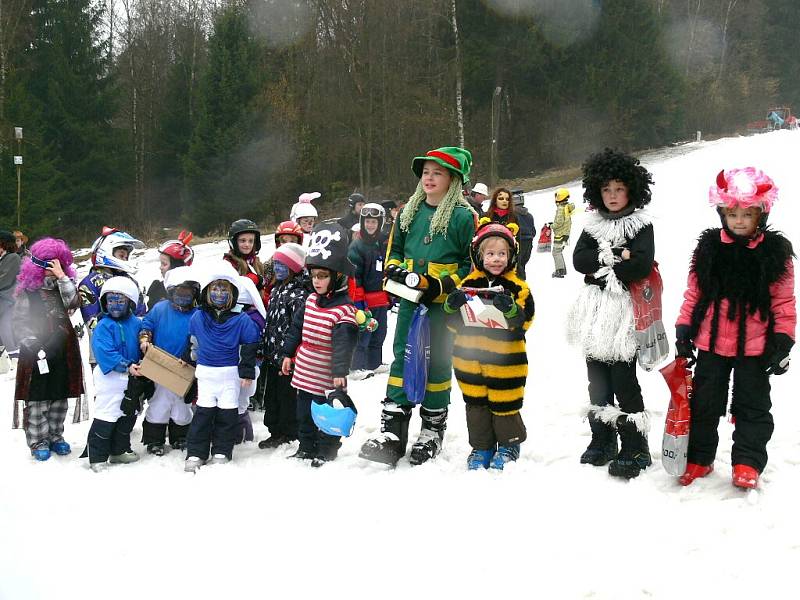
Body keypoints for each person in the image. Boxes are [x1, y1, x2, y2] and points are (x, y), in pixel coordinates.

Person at [675, 167, 796, 490]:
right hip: (711, 343)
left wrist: (783, 342)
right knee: (704, 403)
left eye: (747, 214)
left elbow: (783, 303)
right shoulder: (710, 249)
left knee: (752, 406)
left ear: (761, 214)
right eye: (733, 214)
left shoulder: (775, 255)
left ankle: (747, 461)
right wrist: (684, 329)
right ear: (722, 214)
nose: (739, 221)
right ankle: (700, 458)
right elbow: (694, 293)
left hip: (754, 348)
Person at [359, 146, 477, 467]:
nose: (429, 177)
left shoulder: (464, 217)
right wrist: (397, 269)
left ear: (453, 180)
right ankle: (393, 432)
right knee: (403, 355)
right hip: (411, 302)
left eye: (437, 172)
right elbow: (394, 250)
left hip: (443, 306)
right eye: (426, 172)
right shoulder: (408, 213)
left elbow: (471, 264)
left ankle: (431, 429)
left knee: (437, 361)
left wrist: (439, 285)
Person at [566, 148, 656, 480]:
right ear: (597, 192)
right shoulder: (593, 224)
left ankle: (635, 446)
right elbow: (578, 261)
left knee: (624, 379)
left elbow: (641, 265)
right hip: (595, 314)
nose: (613, 196)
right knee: (597, 379)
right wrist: (615, 256)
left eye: (619, 189)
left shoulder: (641, 225)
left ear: (631, 189)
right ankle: (602, 439)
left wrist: (600, 262)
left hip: (624, 315)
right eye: (606, 190)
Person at [443, 221, 535, 470]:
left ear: (511, 256)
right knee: (476, 405)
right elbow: (452, 324)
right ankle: (481, 445)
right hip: (468, 359)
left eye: (502, 254)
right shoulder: (467, 285)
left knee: (504, 403)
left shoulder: (518, 287)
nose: (496, 259)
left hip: (506, 361)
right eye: (491, 254)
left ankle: (509, 443)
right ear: (479, 256)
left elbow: (525, 321)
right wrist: (452, 305)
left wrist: (512, 309)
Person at [280, 223, 359, 467]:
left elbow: (343, 346)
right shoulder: (311, 301)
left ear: (337, 277)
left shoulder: (344, 311)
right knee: (304, 415)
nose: (317, 281)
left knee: (327, 416)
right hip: (305, 372)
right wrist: (287, 354)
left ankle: (326, 450)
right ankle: (305, 447)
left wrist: (339, 373)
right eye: (314, 276)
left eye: (323, 276)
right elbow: (296, 330)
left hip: (326, 376)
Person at [184, 265, 260, 472]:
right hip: (206, 374)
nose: (219, 293)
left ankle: (222, 451)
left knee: (227, 416)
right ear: (207, 292)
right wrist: (188, 362)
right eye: (215, 289)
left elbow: (249, 346)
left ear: (233, 292)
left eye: (224, 289)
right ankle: (196, 452)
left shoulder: (242, 319)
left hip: (229, 375)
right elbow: (192, 343)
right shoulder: (198, 317)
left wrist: (246, 372)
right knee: (202, 415)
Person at [14, 238, 83, 461]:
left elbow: (73, 304)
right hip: (36, 349)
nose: (52, 270)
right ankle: (38, 439)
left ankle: (55, 435)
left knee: (59, 392)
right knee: (38, 395)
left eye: (57, 264)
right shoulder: (28, 292)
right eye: (47, 265)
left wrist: (63, 278)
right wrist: (32, 342)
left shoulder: (64, 286)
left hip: (63, 348)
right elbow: (19, 321)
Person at [82, 277, 144, 471]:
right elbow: (104, 351)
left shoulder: (136, 323)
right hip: (111, 377)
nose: (115, 305)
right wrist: (124, 365)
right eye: (111, 301)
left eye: (120, 301)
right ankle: (97, 456)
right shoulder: (103, 325)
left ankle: (119, 450)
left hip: (132, 375)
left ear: (130, 302)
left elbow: (143, 344)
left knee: (128, 413)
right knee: (108, 414)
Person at [138, 266, 200, 455]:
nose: (183, 297)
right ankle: (154, 439)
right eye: (179, 293)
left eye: (187, 294)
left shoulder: (197, 314)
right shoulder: (160, 308)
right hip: (160, 365)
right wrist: (145, 338)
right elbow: (146, 324)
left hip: (185, 367)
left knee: (182, 405)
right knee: (159, 402)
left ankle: (180, 436)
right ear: (171, 292)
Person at [259, 242, 309, 449]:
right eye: (276, 263)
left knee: (286, 397)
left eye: (283, 265)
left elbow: (299, 328)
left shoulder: (298, 294)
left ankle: (288, 432)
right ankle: (275, 430)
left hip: (288, 358)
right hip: (273, 355)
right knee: (271, 397)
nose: (278, 268)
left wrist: (292, 354)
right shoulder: (277, 289)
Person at [79, 227, 146, 355]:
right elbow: (93, 323)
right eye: (121, 255)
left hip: (134, 348)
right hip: (104, 351)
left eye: (126, 257)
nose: (125, 260)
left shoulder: (131, 282)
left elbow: (141, 313)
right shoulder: (89, 283)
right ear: (107, 251)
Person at [348, 203, 391, 379]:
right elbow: (354, 278)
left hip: (380, 298)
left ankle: (374, 362)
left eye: (374, 222)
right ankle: (356, 367)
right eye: (367, 222)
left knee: (380, 333)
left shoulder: (381, 244)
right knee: (363, 333)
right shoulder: (356, 247)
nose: (370, 225)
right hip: (363, 299)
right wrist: (359, 303)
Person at [233, 275, 266, 444]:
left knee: (240, 404)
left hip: (246, 368)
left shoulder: (251, 319)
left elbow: (251, 346)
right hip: (237, 366)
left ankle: (243, 437)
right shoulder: (252, 316)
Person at [146, 230, 194, 310]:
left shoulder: (193, 291)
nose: (160, 267)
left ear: (177, 267)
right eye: (161, 263)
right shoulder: (157, 288)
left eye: (164, 264)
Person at [223, 219, 268, 304]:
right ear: (234, 242)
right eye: (242, 241)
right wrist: (253, 279)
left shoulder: (255, 262)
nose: (247, 245)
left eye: (251, 241)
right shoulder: (228, 264)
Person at [0, 230, 21, 358]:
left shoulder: (13, 258)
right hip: (3, 302)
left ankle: (14, 356)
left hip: (9, 301)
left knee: (6, 330)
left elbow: (4, 280)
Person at [550, 188, 575, 278]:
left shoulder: (561, 208)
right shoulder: (567, 207)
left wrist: (551, 226)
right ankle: (562, 269)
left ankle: (560, 271)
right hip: (566, 233)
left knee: (556, 252)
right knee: (559, 251)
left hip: (560, 233)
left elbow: (559, 222)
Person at [512, 190, 536, 280]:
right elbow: (533, 231)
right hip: (528, 243)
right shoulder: (529, 215)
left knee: (517, 266)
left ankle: (520, 284)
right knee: (522, 265)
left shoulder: (513, 216)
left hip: (519, 242)